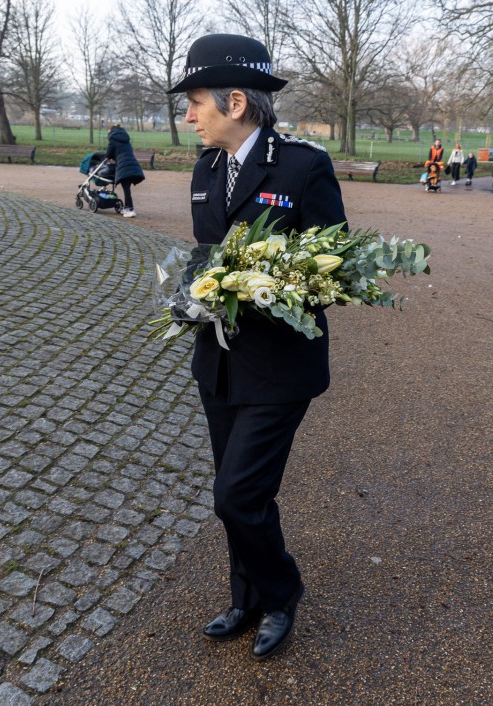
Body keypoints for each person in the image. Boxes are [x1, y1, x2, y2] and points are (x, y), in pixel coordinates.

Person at [167, 33, 347, 661]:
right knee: (240, 493)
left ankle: (282, 593)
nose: (188, 116)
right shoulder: (206, 166)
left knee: (235, 497)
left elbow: (336, 274)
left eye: (195, 103)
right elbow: (206, 255)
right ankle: (245, 597)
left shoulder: (302, 166)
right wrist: (194, 291)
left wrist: (254, 284)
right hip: (217, 362)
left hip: (279, 369)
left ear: (235, 101)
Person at [105, 124, 145, 218]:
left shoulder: (112, 139)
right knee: (127, 188)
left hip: (124, 166)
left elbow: (108, 154)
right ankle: (128, 207)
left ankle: (130, 209)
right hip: (132, 165)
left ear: (111, 131)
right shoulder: (126, 139)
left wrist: (109, 157)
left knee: (126, 189)